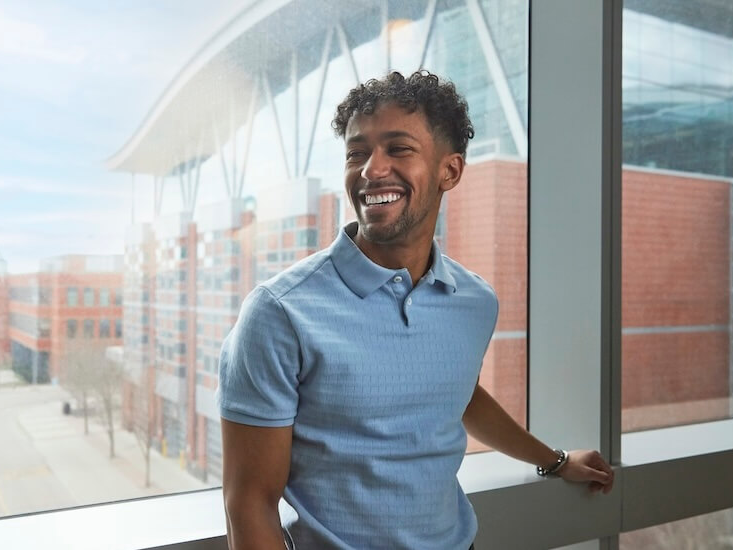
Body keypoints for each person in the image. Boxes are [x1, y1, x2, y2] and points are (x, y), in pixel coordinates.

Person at [217, 70, 614, 550]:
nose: (370, 169)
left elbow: (458, 392)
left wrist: (554, 460)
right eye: (357, 152)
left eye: (397, 148)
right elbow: (249, 503)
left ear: (451, 170)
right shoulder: (280, 312)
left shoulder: (474, 301)